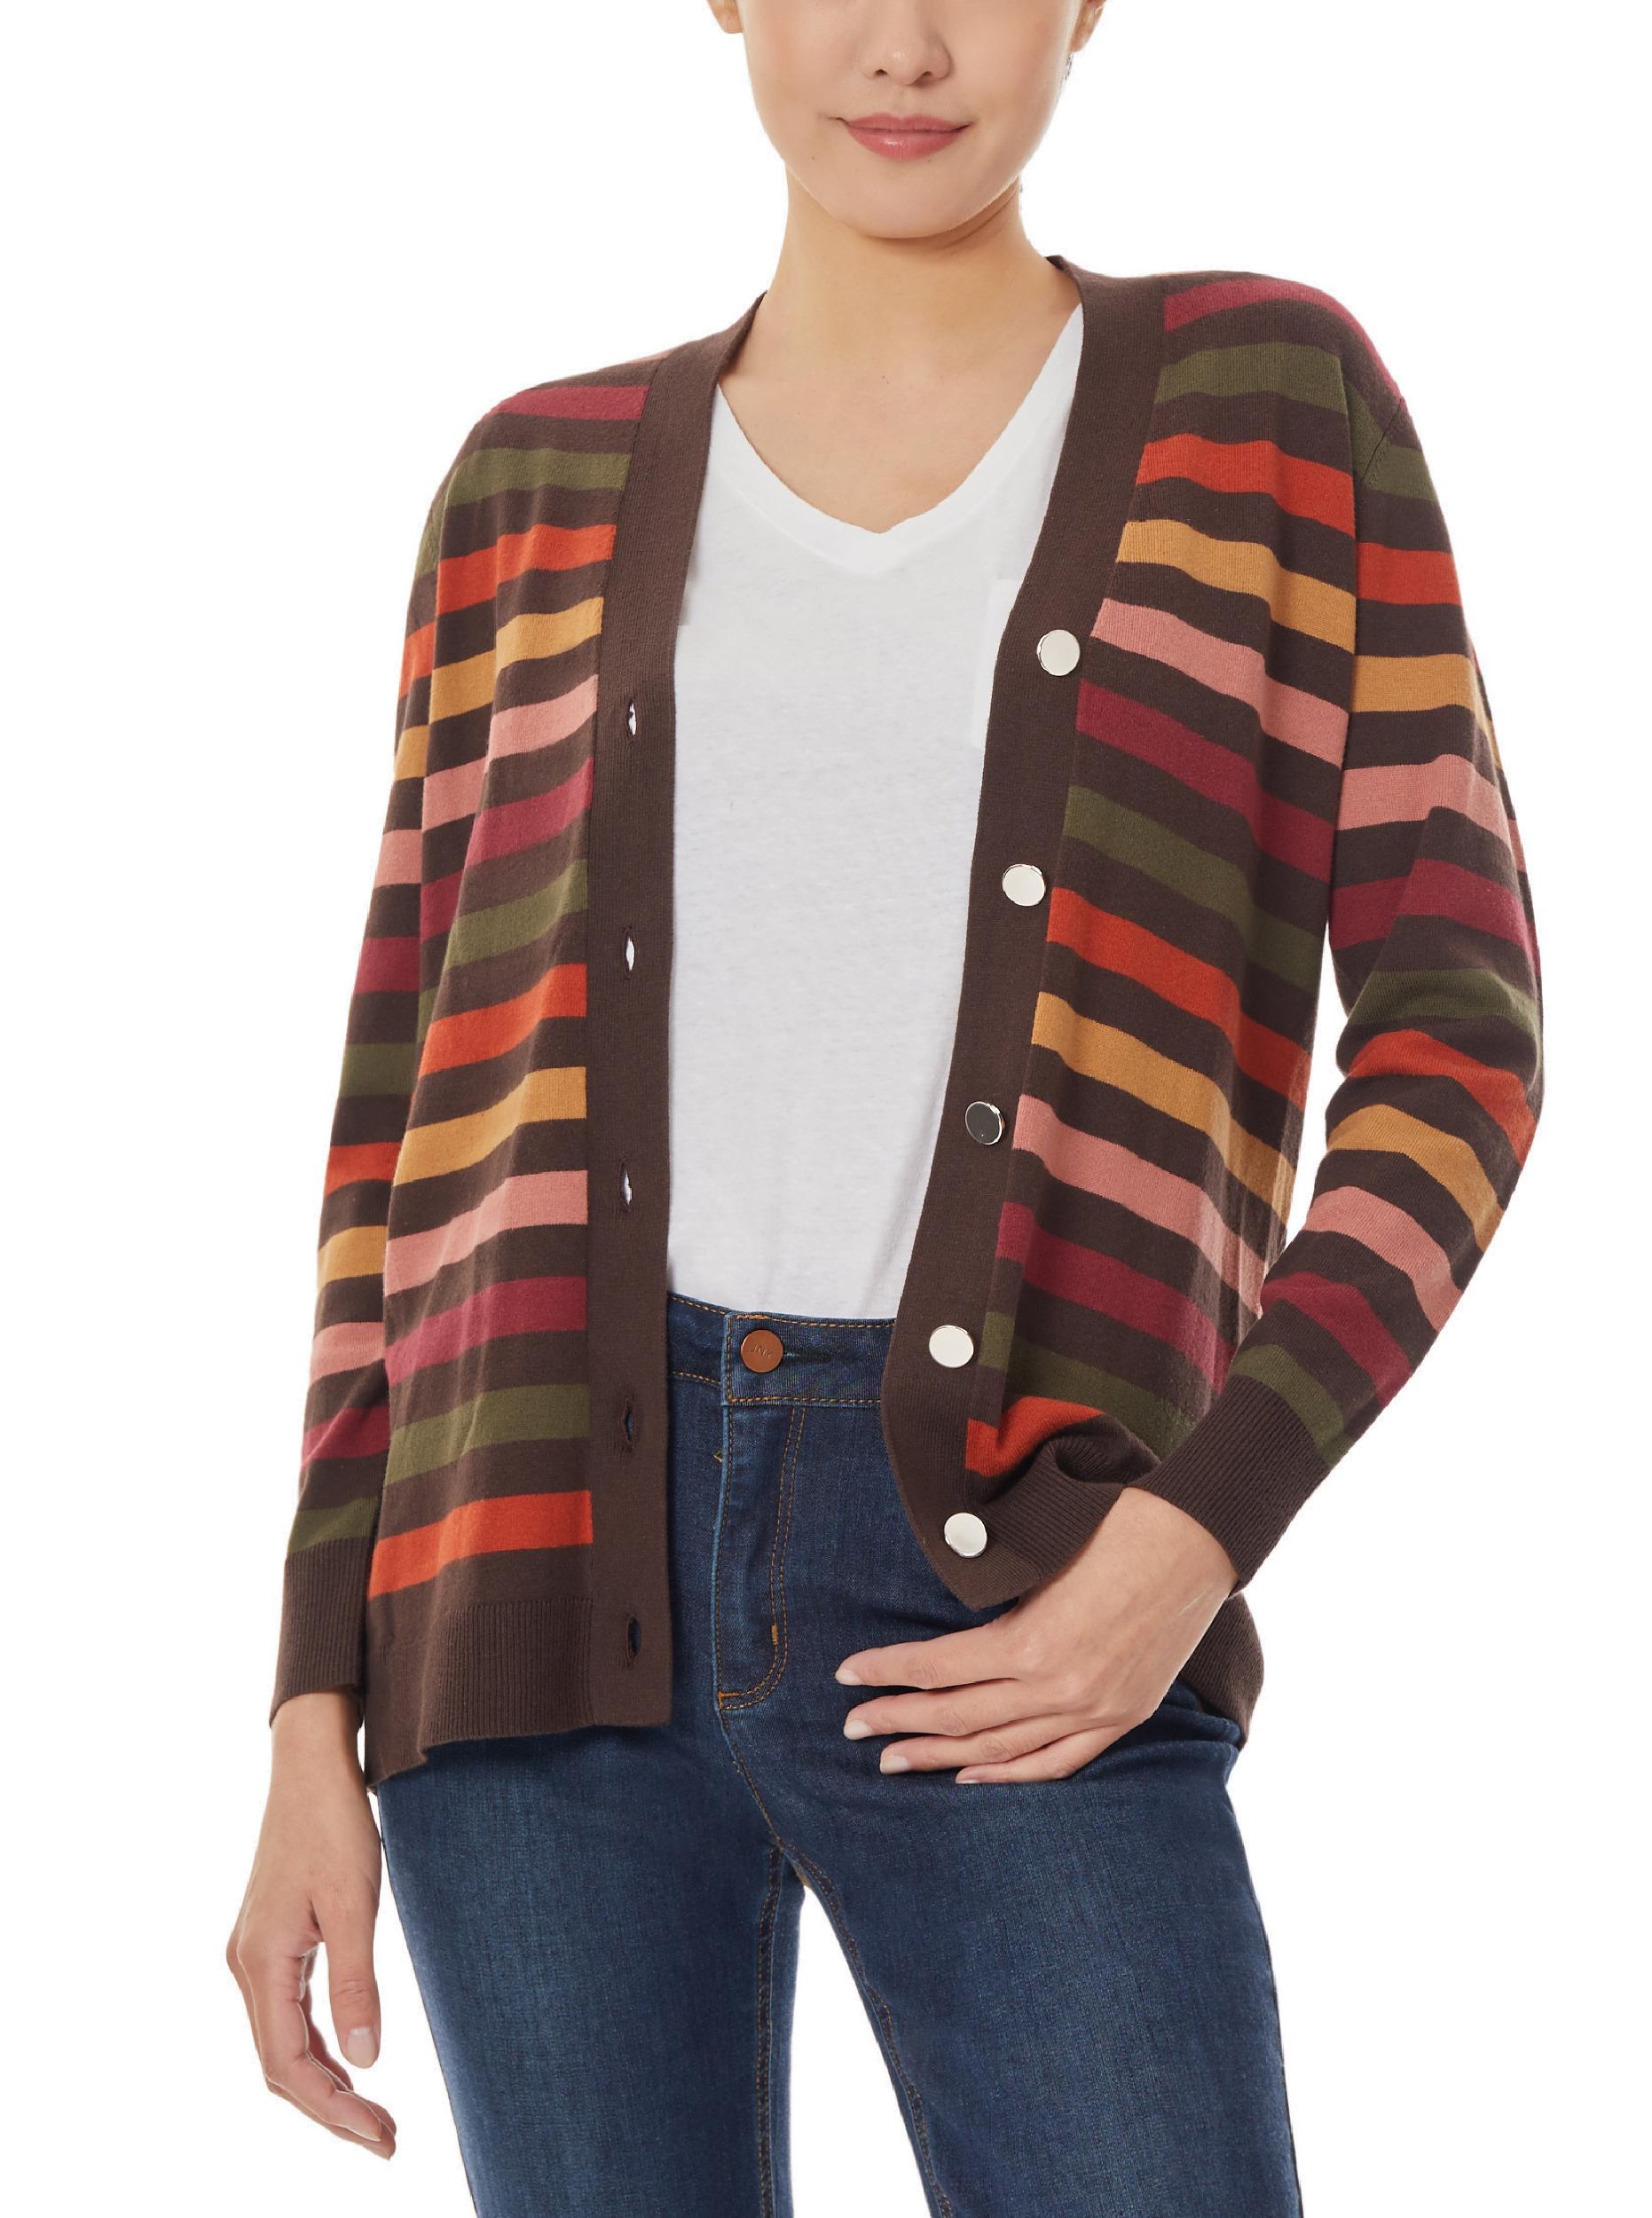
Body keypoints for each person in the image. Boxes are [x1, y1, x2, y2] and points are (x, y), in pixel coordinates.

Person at [225, 4, 1546, 2212]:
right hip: (522, 1583)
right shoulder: (527, 483)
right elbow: (398, 1138)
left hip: (1026, 1562)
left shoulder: (1267, 401)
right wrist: (305, 1708)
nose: (908, 47)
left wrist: (1194, 1531)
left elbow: (1458, 1035)